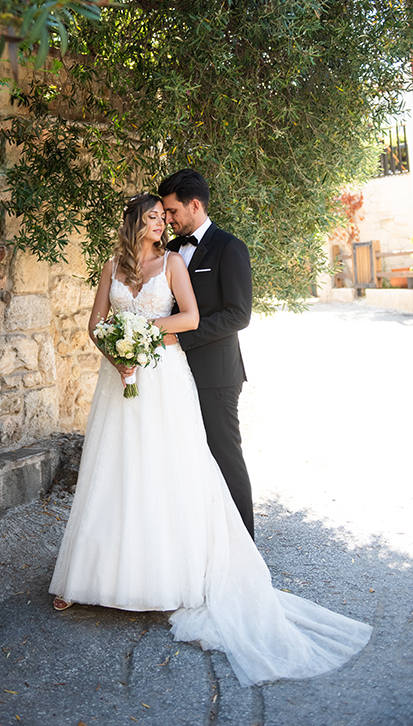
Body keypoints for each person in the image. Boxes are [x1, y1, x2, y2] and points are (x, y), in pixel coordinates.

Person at [49, 194, 372, 687]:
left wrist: (143, 331)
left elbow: (192, 318)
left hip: (162, 374)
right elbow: (95, 324)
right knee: (111, 467)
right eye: (155, 217)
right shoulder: (110, 265)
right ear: (137, 222)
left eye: (166, 216)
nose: (163, 223)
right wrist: (116, 353)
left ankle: (166, 575)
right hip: (120, 376)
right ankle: (85, 575)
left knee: (165, 467)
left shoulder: (173, 262)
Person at [159, 169, 255, 538]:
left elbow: (238, 314)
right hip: (171, 374)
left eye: (172, 211)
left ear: (194, 205)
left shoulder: (229, 247)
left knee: (225, 457)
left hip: (216, 375)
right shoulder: (168, 251)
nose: (168, 219)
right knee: (185, 458)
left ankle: (245, 547)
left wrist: (183, 339)